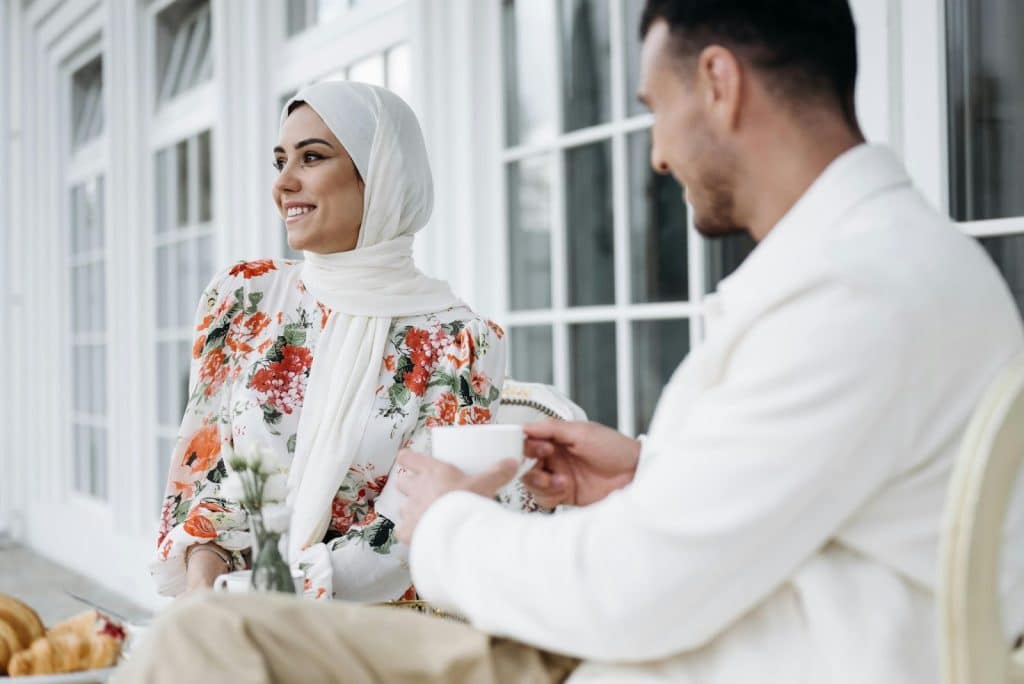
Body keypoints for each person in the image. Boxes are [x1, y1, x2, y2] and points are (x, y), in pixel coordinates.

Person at [119, 1, 1024, 682]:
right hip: (676, 628)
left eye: (654, 108)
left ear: (719, 82)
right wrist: (646, 469)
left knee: (209, 644)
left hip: (667, 649)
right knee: (210, 632)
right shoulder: (896, 264)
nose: (659, 154)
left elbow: (627, 591)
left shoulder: (850, 295)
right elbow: (815, 491)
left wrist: (444, 523)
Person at [150, 80, 512, 603]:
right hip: (232, 607)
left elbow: (405, 537)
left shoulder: (460, 342)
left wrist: (263, 595)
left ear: (381, 177)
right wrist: (208, 580)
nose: (285, 183)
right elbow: (208, 479)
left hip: (372, 633)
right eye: (280, 162)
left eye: (312, 157)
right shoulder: (245, 297)